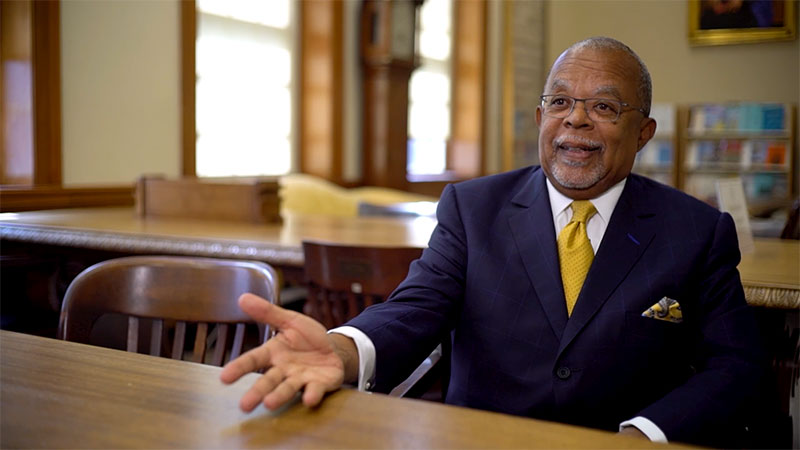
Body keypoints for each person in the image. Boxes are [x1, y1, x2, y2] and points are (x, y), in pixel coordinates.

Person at [220, 36, 766, 446]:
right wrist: (344, 349)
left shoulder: (696, 232)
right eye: (559, 103)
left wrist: (643, 435)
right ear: (539, 118)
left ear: (643, 131)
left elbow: (735, 367)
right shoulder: (473, 207)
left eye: (604, 107)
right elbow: (417, 308)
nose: (575, 120)